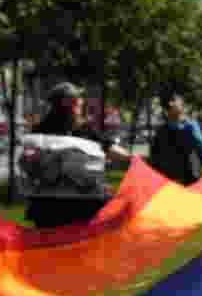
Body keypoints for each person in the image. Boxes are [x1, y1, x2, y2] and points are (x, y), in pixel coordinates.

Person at [22, 81, 131, 228]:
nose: (81, 101)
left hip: (48, 207)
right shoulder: (82, 130)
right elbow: (110, 149)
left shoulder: (39, 131)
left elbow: (28, 165)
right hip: (79, 205)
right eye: (77, 98)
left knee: (53, 248)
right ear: (68, 102)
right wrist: (132, 159)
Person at [148, 94, 202, 185]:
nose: (173, 104)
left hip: (191, 174)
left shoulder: (190, 125)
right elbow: (155, 155)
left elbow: (201, 143)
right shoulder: (161, 131)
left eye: (178, 102)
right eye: (173, 103)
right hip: (169, 176)